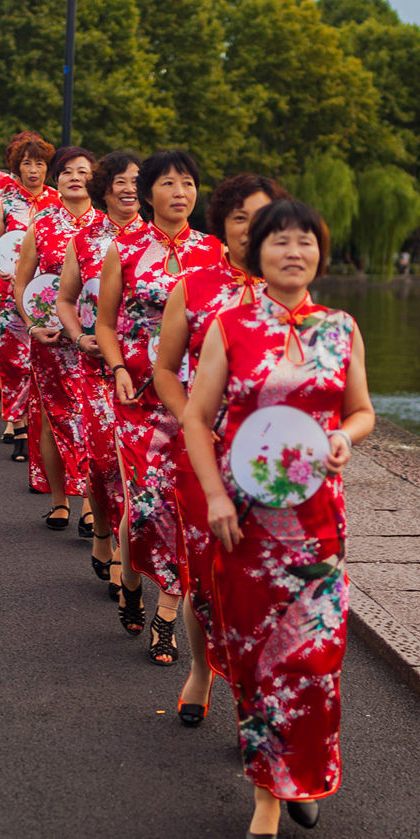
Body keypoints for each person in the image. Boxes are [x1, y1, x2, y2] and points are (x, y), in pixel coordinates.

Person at [180, 198, 374, 839]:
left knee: (317, 660)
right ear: (255, 251)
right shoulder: (230, 326)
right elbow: (198, 418)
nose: (294, 252)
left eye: (305, 242)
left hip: (318, 522)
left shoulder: (339, 329)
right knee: (258, 658)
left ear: (321, 252)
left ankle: (305, 775)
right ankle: (268, 790)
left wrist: (345, 437)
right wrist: (215, 497)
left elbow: (362, 410)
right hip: (246, 523)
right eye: (279, 241)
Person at [153, 173, 283, 723]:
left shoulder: (293, 293)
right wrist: (192, 422)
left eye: (264, 221)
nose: (252, 232)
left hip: (271, 460)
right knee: (206, 574)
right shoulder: (195, 285)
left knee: (263, 582)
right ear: (222, 228)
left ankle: (253, 701)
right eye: (239, 219)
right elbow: (164, 368)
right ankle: (203, 670)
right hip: (204, 455)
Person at [95, 149, 220, 665]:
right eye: (168, 183)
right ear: (148, 194)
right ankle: (130, 576)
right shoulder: (123, 248)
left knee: (185, 509)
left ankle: (165, 618)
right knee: (145, 507)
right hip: (138, 396)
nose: (180, 193)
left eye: (188, 183)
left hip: (199, 401)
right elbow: (104, 322)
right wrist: (119, 368)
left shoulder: (214, 253)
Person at [55, 150, 143, 618]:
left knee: (138, 473)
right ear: (104, 188)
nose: (129, 188)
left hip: (148, 372)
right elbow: (66, 300)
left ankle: (128, 562)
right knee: (104, 460)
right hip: (92, 368)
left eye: (137, 181)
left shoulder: (158, 244)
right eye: (121, 181)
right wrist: (76, 336)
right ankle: (104, 534)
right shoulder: (84, 240)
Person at [15, 147, 101, 540]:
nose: (74, 178)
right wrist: (33, 324)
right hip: (51, 338)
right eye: (67, 171)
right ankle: (59, 499)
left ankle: (89, 504)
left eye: (83, 172)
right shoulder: (42, 223)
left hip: (95, 341)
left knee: (90, 418)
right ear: (57, 179)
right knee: (52, 418)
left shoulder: (106, 228)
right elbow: (22, 283)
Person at [0, 132, 57, 434]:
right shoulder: (5, 201)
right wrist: (2, 267)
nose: (34, 170)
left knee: (41, 357)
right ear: (17, 166)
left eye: (39, 163)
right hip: (10, 287)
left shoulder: (57, 202)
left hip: (47, 291)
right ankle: (16, 419)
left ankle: (36, 417)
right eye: (27, 163)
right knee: (13, 357)